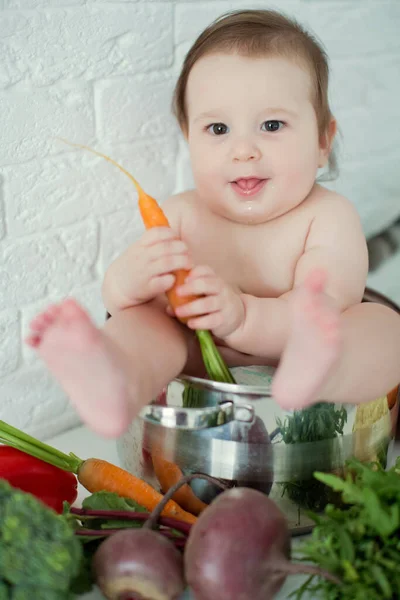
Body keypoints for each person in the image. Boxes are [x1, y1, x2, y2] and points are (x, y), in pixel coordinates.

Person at [26, 9, 400, 438]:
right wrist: (127, 282)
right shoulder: (181, 214)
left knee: (383, 328)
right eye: (218, 128)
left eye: (272, 124)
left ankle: (323, 375)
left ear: (321, 141)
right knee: (144, 323)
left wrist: (244, 319)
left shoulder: (328, 216)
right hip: (196, 359)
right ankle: (115, 382)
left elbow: (326, 304)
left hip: (298, 355)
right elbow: (133, 301)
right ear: (190, 138)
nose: (243, 149)